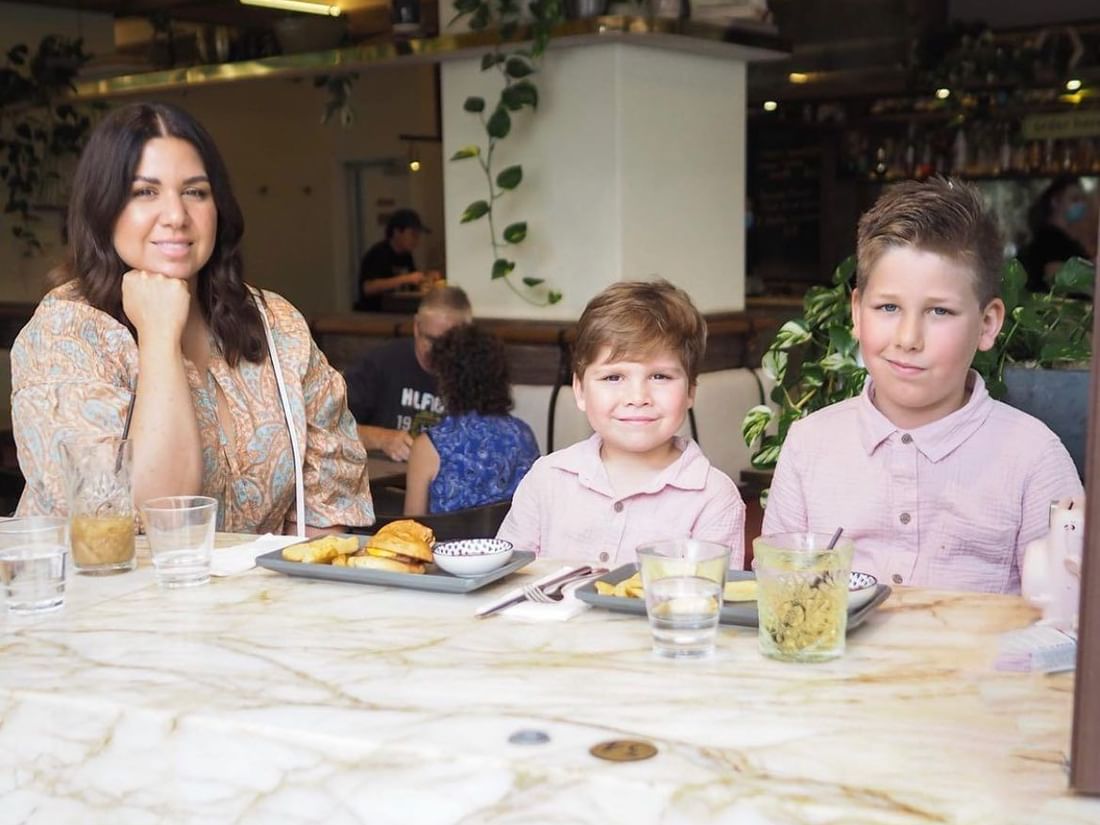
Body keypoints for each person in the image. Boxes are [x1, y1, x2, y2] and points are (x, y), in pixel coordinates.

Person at [10, 102, 373, 536]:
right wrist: (160, 335)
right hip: (107, 601)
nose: (177, 216)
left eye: (195, 192)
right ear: (102, 207)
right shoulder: (63, 335)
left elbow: (326, 518)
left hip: (255, 600)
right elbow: (162, 518)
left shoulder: (277, 324)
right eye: (145, 192)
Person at [763, 178, 1082, 594]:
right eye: (889, 307)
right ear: (857, 313)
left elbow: (1065, 622)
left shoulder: (1034, 459)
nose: (909, 338)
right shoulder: (809, 445)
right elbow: (777, 594)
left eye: (939, 311)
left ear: (987, 324)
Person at [496, 279, 745, 567]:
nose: (637, 397)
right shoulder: (547, 478)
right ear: (579, 390)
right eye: (613, 377)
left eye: (660, 377)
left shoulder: (713, 497)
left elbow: (708, 601)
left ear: (690, 391)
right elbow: (508, 580)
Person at [404, 325, 540, 515]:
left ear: (447, 381)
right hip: (510, 545)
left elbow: (411, 526)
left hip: (448, 545)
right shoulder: (523, 435)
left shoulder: (428, 446)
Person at [344, 286, 473, 461]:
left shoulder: (474, 374)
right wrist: (382, 439)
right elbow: (330, 427)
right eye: (431, 340)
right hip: (387, 478)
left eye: (448, 342)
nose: (438, 350)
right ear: (416, 327)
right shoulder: (382, 362)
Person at [1019, 175, 1095, 293]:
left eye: (1082, 199)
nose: (1081, 205)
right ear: (1055, 202)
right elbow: (1054, 274)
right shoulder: (1050, 239)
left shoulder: (1063, 238)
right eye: (1075, 199)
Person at [355, 208, 440, 312]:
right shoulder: (378, 253)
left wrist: (426, 277)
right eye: (413, 234)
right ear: (397, 232)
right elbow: (368, 288)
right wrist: (405, 279)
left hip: (399, 311)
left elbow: (412, 283)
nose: (416, 240)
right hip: (375, 314)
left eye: (418, 236)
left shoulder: (406, 256)